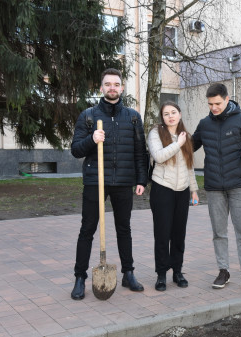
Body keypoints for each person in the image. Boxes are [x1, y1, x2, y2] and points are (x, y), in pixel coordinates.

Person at [69, 68, 148, 300]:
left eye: (116, 84)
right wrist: (92, 139)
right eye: (107, 84)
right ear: (101, 88)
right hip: (96, 181)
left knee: (124, 229)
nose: (112, 88)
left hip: (123, 181)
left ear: (122, 88)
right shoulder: (89, 116)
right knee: (87, 229)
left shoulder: (133, 116)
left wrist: (141, 179)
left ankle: (128, 273)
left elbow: (140, 152)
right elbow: (75, 150)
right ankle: (80, 277)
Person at [192, 83, 241, 294]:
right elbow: (190, 145)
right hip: (214, 186)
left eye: (217, 103)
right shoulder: (205, 124)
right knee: (219, 232)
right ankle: (223, 270)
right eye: (210, 104)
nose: (213, 107)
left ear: (226, 99)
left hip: (239, 185)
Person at [147, 101, 199, 291]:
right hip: (162, 188)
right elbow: (159, 156)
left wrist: (193, 190)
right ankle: (161, 274)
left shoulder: (186, 136)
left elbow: (190, 166)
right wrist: (178, 144)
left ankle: (177, 271)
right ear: (162, 117)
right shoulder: (156, 133)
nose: (170, 116)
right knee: (162, 234)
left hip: (182, 191)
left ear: (180, 114)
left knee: (179, 234)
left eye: (174, 112)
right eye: (166, 113)